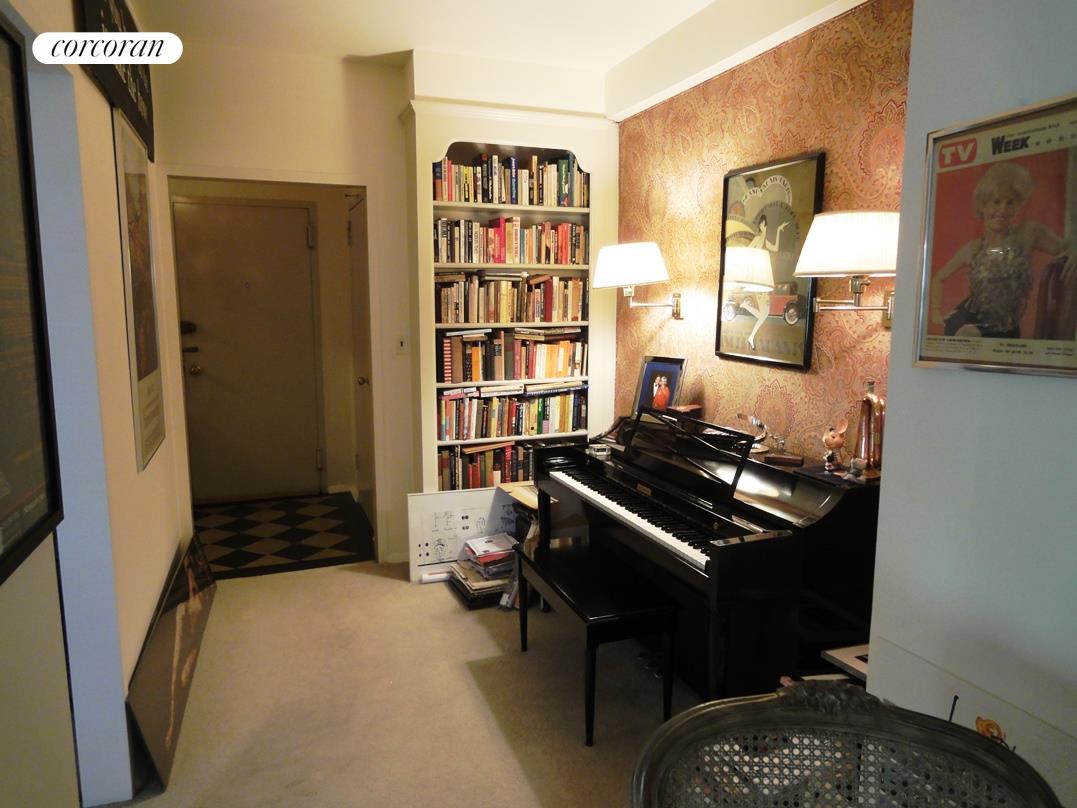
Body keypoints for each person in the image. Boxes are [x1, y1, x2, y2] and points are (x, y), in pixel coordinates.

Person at [930, 161, 1074, 338]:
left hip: (1006, 326)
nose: (1002, 209)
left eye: (1010, 203)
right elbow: (938, 278)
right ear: (982, 206)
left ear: (1017, 208)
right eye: (996, 202)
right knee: (966, 335)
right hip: (968, 322)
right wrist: (935, 311)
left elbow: (1065, 246)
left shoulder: (1028, 233)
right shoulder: (973, 248)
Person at [739, 214, 790, 350]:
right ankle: (751, 336)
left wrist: (778, 230)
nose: (763, 226)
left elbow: (776, 248)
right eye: (762, 224)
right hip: (757, 279)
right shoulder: (757, 239)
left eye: (765, 224)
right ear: (760, 226)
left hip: (763, 279)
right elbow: (748, 250)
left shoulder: (765, 241)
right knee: (764, 314)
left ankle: (746, 309)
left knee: (763, 314)